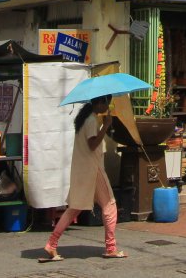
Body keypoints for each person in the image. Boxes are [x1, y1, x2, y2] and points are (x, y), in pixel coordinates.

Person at [39, 96, 127, 262]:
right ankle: (111, 247)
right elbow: (92, 144)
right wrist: (105, 126)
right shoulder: (91, 121)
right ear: (99, 103)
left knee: (75, 207)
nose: (107, 106)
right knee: (110, 206)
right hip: (94, 170)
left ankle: (52, 243)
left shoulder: (85, 119)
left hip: (83, 170)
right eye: (106, 102)